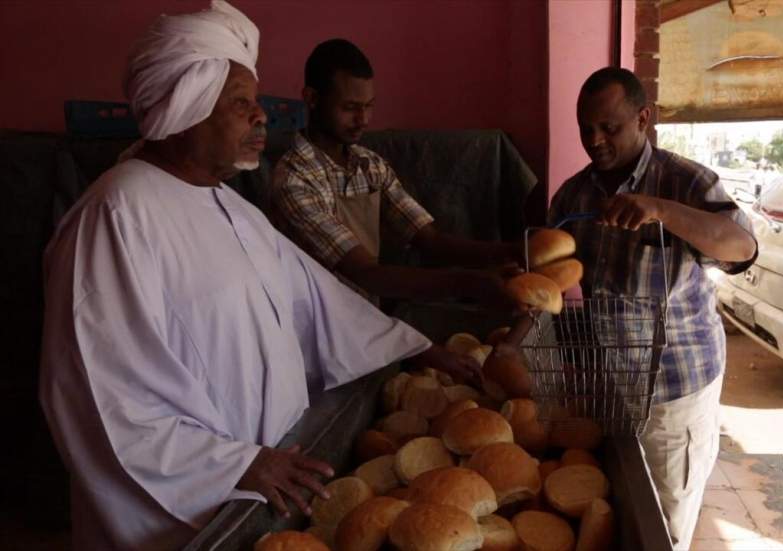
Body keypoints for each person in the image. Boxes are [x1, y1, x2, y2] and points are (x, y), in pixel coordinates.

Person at [38, 3, 477, 549]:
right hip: (188, 505)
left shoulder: (233, 206)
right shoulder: (116, 216)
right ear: (187, 110)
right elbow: (100, 400)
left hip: (268, 483)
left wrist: (411, 349)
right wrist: (237, 466)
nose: (262, 116)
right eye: (241, 104)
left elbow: (320, 303)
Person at [548, 67, 757, 549]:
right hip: (603, 388)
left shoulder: (686, 182)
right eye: (585, 129)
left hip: (673, 393)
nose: (594, 140)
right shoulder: (574, 195)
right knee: (614, 518)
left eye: (609, 127)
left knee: (663, 524)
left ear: (643, 118)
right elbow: (552, 278)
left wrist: (662, 210)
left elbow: (741, 246)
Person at [269, 39, 523, 306]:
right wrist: (473, 282)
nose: (363, 120)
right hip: (312, 326)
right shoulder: (294, 180)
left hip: (365, 315)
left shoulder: (370, 165)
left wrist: (513, 253)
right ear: (311, 98)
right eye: (350, 108)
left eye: (369, 106)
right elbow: (367, 275)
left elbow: (430, 241)